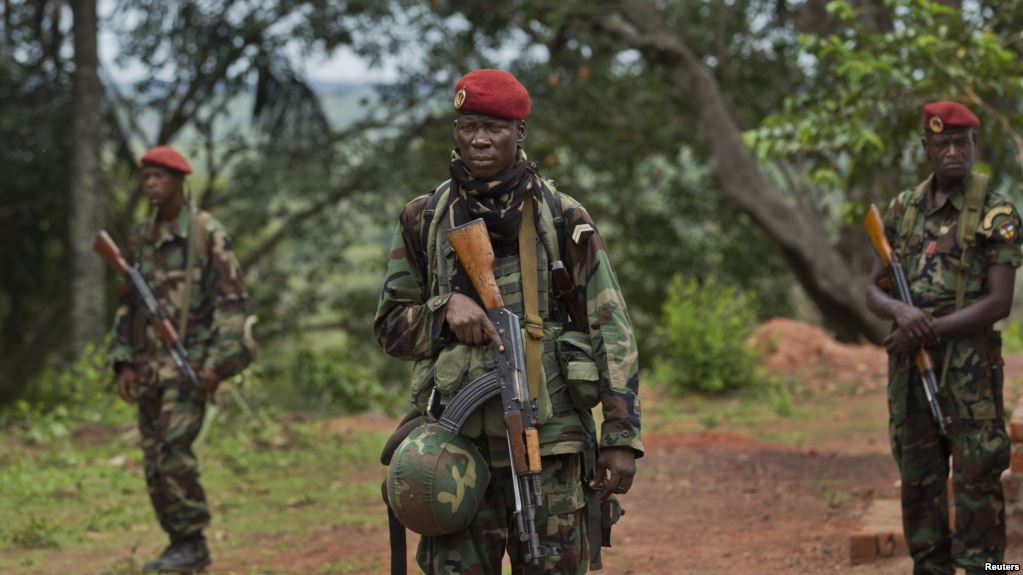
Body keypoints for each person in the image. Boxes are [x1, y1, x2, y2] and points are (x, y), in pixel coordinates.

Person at [374, 69, 643, 574]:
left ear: (519, 133)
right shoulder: (423, 218)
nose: (478, 139)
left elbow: (612, 329)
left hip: (552, 443)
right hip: (455, 450)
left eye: (494, 127)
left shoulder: (561, 217)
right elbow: (389, 326)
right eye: (468, 125)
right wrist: (443, 311)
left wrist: (622, 436)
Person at [866, 101, 1021, 575]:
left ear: (974, 145)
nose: (953, 151)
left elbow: (998, 304)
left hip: (971, 373)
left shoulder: (997, 213)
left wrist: (923, 330)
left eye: (962, 142)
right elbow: (873, 287)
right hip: (911, 374)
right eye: (943, 143)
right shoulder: (901, 210)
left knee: (977, 481)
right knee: (919, 483)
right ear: (926, 148)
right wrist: (899, 312)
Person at [108, 146, 250, 573]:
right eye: (146, 176)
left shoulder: (207, 234)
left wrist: (217, 363)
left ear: (178, 181)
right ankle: (179, 542)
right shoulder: (140, 237)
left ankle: (192, 542)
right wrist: (123, 360)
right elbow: (128, 305)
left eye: (159, 176)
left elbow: (233, 304)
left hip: (190, 364)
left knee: (173, 453)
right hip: (149, 365)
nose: (150, 183)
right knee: (154, 461)